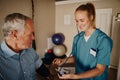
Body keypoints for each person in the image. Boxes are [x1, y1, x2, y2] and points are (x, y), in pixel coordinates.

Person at [52, 2, 113, 80]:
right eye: (77, 21)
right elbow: (76, 58)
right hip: (80, 77)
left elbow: (100, 70)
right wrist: (62, 61)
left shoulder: (104, 41)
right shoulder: (77, 38)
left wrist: (76, 76)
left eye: (82, 20)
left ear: (91, 17)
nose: (79, 24)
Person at [0, 13, 50, 80]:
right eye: (30, 34)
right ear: (14, 35)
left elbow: (42, 69)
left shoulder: (30, 50)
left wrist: (53, 74)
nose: (33, 38)